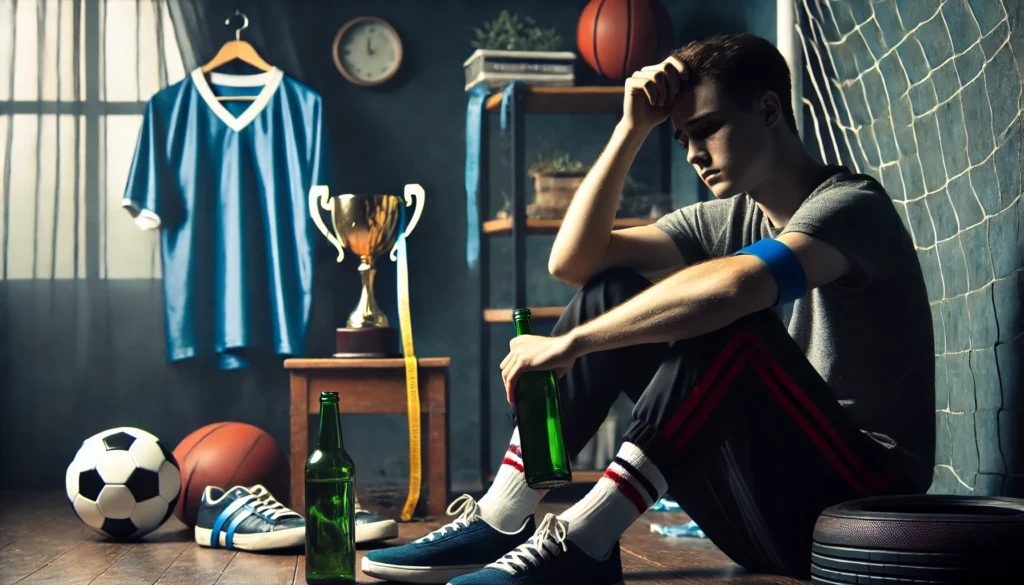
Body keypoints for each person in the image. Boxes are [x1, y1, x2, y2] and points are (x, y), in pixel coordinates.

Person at [362, 32, 935, 585]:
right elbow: (574, 262)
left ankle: (585, 537)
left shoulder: (851, 205)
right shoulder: (727, 218)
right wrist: (630, 128)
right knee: (612, 291)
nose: (693, 154)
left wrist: (572, 344)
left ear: (767, 110)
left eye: (706, 130)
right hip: (759, 515)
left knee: (724, 317)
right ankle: (503, 516)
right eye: (681, 138)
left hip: (857, 510)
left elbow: (738, 286)